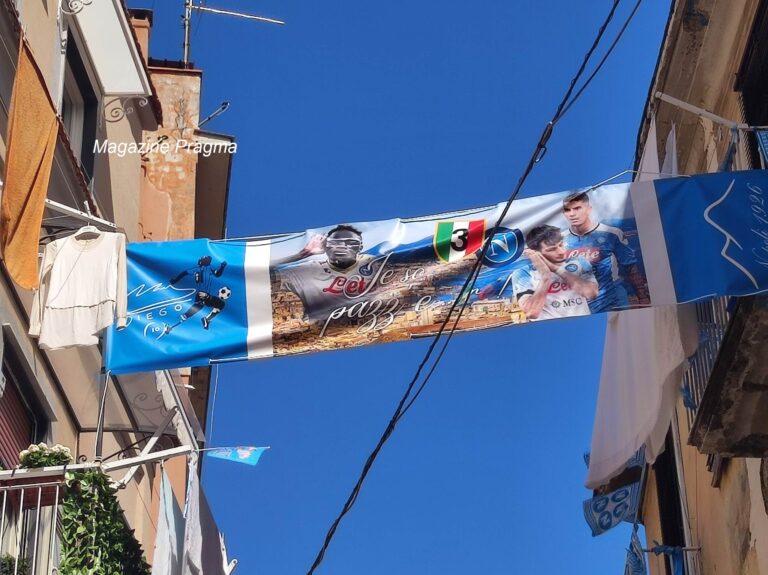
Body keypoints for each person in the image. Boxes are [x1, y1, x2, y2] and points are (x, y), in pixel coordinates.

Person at [562, 191, 650, 312]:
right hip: (579, 303)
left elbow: (630, 267)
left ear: (588, 209)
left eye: (577, 208)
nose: (572, 214)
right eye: (567, 210)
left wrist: (643, 298)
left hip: (613, 299)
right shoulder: (559, 240)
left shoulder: (612, 233)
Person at [272, 224, 377, 323]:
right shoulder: (308, 270)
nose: (342, 246)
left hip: (363, 331)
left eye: (351, 243)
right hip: (319, 335)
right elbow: (260, 271)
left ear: (360, 247)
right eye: (335, 242)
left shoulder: (373, 265)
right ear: (325, 246)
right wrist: (303, 254)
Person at [510, 225, 598, 320]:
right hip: (548, 330)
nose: (560, 251)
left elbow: (591, 293)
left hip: (582, 325)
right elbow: (531, 312)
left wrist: (557, 269)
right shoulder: (523, 273)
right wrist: (545, 276)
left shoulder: (579, 261)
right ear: (535, 252)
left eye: (561, 245)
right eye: (552, 249)